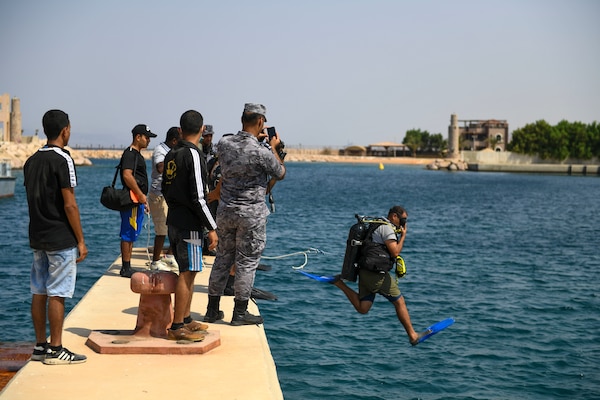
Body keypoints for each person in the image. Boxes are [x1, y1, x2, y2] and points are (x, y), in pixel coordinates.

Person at [205, 103, 285, 326]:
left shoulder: (224, 143)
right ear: (261, 122)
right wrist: (274, 147)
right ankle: (240, 312)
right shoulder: (262, 152)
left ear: (242, 119)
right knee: (247, 262)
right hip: (251, 214)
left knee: (222, 258)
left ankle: (212, 309)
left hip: (226, 211)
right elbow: (280, 172)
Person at [24, 109, 88, 364]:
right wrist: (81, 240)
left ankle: (40, 346)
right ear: (65, 130)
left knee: (39, 291)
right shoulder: (63, 159)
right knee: (57, 293)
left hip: (37, 235)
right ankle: (56, 348)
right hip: (60, 237)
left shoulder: (30, 161)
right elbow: (69, 203)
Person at [162, 110, 218, 341]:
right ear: (202, 129)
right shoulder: (193, 155)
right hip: (189, 225)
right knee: (188, 272)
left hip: (174, 220)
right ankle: (177, 326)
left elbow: (166, 188)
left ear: (181, 129)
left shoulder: (171, 154)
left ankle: (185, 319)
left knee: (190, 269)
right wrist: (212, 227)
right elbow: (199, 196)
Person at [332, 206, 423, 345]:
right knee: (400, 302)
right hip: (376, 275)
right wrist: (404, 236)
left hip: (365, 272)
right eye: (403, 220)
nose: (404, 223)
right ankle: (412, 335)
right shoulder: (386, 229)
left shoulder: (377, 225)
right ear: (394, 216)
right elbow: (395, 252)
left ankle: (339, 283)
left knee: (363, 308)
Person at [148, 126, 181, 271]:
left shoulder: (172, 151)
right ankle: (155, 261)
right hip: (159, 195)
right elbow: (161, 167)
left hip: (170, 195)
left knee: (176, 227)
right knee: (161, 230)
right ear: (174, 140)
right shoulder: (160, 150)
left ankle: (169, 256)